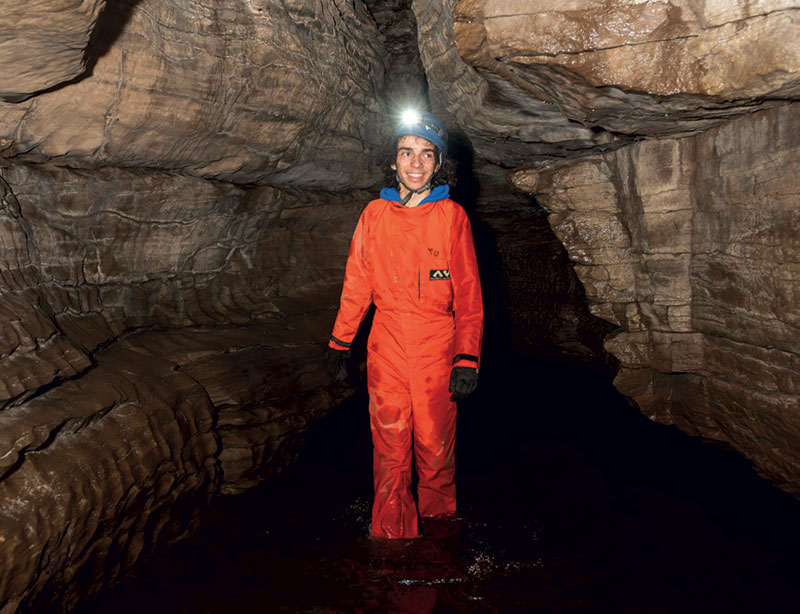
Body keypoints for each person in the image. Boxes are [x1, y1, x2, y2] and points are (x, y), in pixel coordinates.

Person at [326, 111, 483, 539]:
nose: (415, 163)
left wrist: (467, 358)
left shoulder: (452, 217)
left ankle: (438, 541)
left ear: (438, 163)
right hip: (387, 345)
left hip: (438, 345)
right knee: (390, 451)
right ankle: (392, 549)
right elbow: (356, 283)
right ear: (393, 161)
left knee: (434, 451)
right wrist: (341, 342)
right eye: (406, 152)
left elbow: (468, 293)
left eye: (426, 154)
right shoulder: (374, 215)